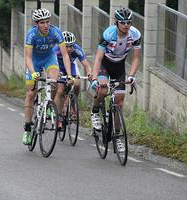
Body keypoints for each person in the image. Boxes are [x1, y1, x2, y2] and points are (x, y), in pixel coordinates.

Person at [91, 7, 141, 150]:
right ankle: (95, 111)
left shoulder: (135, 35)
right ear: (116, 23)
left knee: (119, 103)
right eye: (123, 22)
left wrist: (131, 76)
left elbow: (137, 58)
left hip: (119, 67)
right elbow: (98, 57)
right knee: (102, 90)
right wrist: (95, 78)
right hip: (105, 65)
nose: (126, 25)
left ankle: (117, 137)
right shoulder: (108, 34)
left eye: (129, 22)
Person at [22, 8, 73, 145]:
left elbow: (65, 55)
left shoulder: (56, 32)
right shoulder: (31, 34)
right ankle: (27, 129)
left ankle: (49, 104)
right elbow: (27, 57)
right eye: (42, 23)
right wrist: (33, 72)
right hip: (34, 62)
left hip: (50, 59)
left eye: (48, 22)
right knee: (31, 93)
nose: (46, 25)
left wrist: (69, 74)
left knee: (55, 81)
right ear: (37, 23)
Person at [54, 31, 92, 127]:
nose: (69, 49)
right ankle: (58, 117)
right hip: (59, 68)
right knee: (60, 90)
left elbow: (86, 64)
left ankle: (73, 103)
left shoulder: (77, 49)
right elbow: (51, 63)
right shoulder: (56, 49)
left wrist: (89, 73)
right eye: (66, 46)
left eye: (71, 46)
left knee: (78, 84)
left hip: (71, 67)